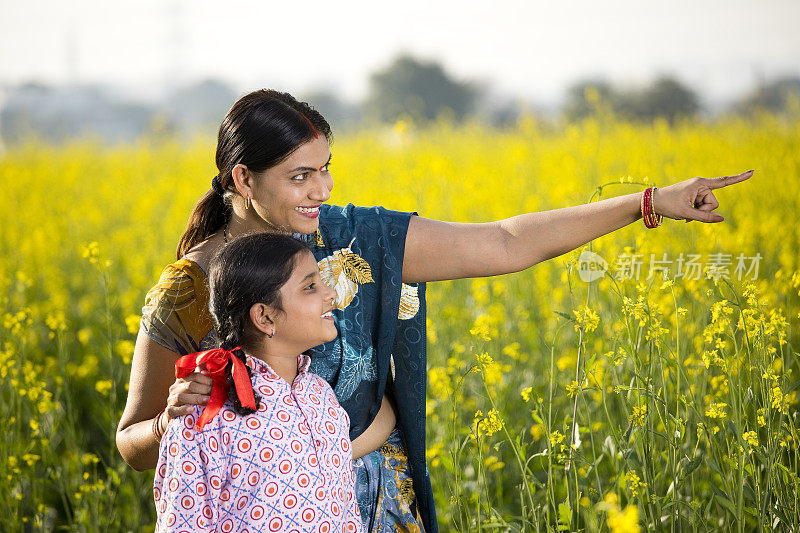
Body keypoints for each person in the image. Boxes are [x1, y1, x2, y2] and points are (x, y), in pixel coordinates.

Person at [116, 89, 752, 533]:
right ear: (242, 179)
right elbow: (132, 443)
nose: (325, 190)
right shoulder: (188, 290)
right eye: (301, 176)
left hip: (374, 501)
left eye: (327, 170)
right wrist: (177, 424)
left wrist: (647, 201)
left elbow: (505, 242)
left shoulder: (356, 236)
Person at [154, 232, 362, 533]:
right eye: (310, 287)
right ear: (264, 317)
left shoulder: (322, 396)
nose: (330, 293)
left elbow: (346, 512)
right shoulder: (205, 415)